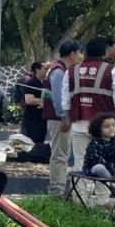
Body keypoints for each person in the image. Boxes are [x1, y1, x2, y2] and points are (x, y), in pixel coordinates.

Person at [64, 37, 115, 192]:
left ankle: (80, 198)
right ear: (105, 52)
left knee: (80, 163)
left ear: (85, 52)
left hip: (79, 124)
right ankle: (102, 199)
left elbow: (65, 99)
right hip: (104, 128)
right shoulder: (111, 70)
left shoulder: (71, 71)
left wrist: (67, 119)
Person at [45, 40, 82, 193]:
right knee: (60, 155)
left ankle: (58, 187)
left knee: (62, 154)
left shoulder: (60, 70)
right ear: (72, 54)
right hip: (59, 119)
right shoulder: (59, 71)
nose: (80, 56)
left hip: (60, 118)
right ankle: (57, 190)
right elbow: (58, 97)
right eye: (79, 52)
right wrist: (64, 117)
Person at [83, 112, 115, 179]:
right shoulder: (95, 143)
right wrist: (113, 171)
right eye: (107, 126)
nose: (111, 128)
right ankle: (113, 181)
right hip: (94, 168)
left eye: (113, 125)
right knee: (99, 167)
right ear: (98, 129)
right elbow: (99, 161)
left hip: (112, 168)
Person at [19, 61, 47, 145]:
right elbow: (29, 100)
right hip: (32, 119)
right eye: (44, 69)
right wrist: (45, 101)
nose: (46, 71)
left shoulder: (44, 83)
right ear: (37, 70)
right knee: (32, 141)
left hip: (41, 118)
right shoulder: (31, 83)